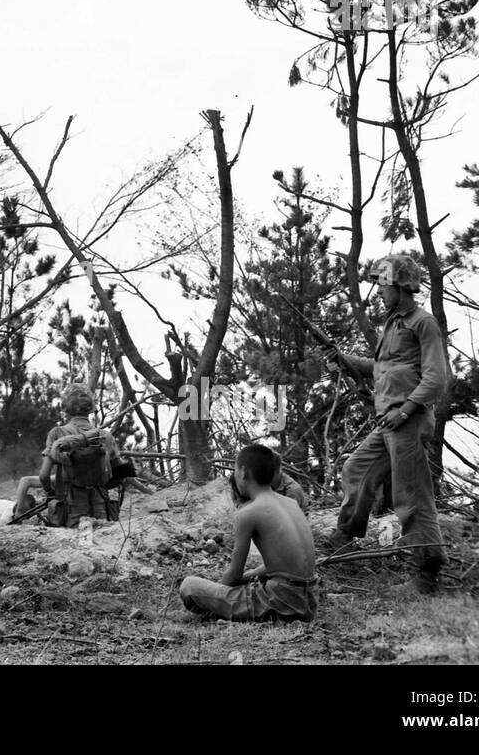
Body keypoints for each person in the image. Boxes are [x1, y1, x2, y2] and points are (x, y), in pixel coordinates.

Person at [328, 254, 450, 593]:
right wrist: (345, 360)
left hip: (406, 421)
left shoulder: (423, 323)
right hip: (389, 422)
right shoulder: (393, 325)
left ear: (400, 286)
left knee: (411, 495)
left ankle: (426, 572)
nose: (378, 292)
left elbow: (437, 378)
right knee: (357, 469)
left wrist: (406, 410)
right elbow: (383, 369)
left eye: (382, 285)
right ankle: (342, 539)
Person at [180, 444, 319, 622]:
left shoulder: (248, 513)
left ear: (244, 472)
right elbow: (283, 565)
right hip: (309, 601)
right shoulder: (291, 503)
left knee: (189, 586)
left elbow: (233, 575)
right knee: (248, 581)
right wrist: (249, 577)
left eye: (235, 470)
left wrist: (219, 592)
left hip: (282, 602)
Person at [38, 384, 122, 527]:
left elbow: (44, 476)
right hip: (101, 505)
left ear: (65, 407)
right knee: (102, 543)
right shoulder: (105, 436)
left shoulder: (57, 433)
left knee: (78, 545)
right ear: (90, 407)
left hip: (71, 507)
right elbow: (121, 474)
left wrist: (51, 493)